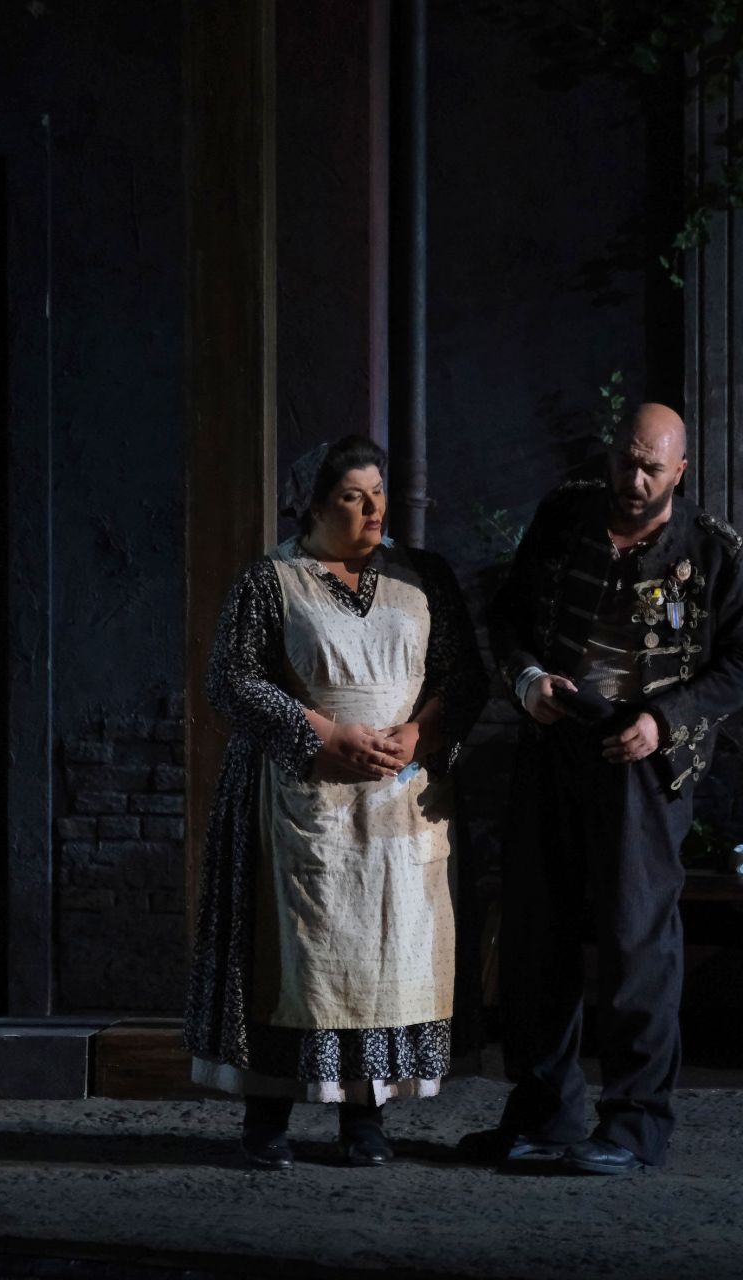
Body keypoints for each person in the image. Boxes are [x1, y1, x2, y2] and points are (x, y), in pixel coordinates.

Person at [465, 402, 743, 1174]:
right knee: (538, 935)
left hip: (642, 760)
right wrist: (529, 678)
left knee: (637, 941)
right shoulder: (566, 516)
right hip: (553, 740)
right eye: (626, 462)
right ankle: (544, 1111)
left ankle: (634, 1124)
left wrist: (667, 720)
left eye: (651, 468)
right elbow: (507, 619)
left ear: (680, 470)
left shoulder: (712, 550)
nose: (634, 481)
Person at [184, 435, 486, 1168]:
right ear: (316, 505)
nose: (373, 508)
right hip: (301, 796)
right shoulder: (271, 580)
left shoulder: (424, 578)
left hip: (398, 800)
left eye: (378, 493)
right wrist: (321, 732)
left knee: (384, 953)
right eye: (353, 496)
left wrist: (417, 733)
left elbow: (466, 676)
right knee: (296, 954)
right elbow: (232, 679)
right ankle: (267, 1119)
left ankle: (366, 1120)